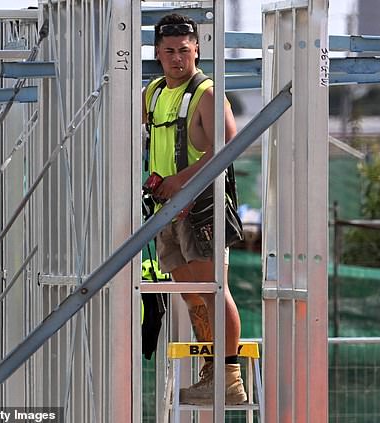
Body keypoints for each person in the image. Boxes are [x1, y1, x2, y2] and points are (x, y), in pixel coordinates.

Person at [142, 13, 246, 405]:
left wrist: (181, 181)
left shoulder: (206, 93)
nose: (176, 58)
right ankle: (211, 371)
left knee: (214, 290)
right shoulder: (152, 92)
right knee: (191, 294)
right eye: (169, 51)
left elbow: (228, 146)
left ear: (197, 49)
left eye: (184, 51)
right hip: (167, 208)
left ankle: (229, 377)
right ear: (157, 52)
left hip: (200, 208)